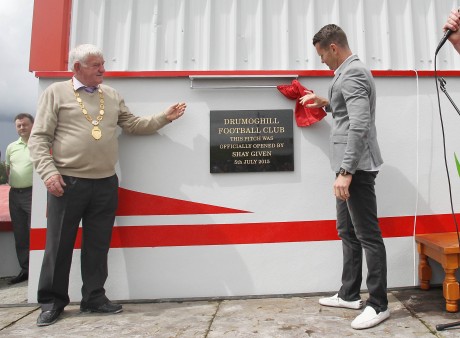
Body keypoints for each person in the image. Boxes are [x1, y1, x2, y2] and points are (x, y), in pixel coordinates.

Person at [28, 44, 186, 327]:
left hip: (104, 183)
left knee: (98, 246)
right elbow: (39, 138)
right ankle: (52, 302)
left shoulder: (111, 95)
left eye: (103, 64)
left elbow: (133, 124)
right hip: (66, 182)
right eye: (95, 65)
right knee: (58, 245)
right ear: (76, 68)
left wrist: (164, 118)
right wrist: (48, 173)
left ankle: (93, 298)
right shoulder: (55, 93)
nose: (103, 69)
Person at [299, 24, 389, 330]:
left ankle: (378, 304)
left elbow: (360, 124)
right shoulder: (346, 73)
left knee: (368, 236)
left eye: (322, 55)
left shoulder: (352, 73)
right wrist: (326, 102)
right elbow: (349, 112)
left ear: (333, 47)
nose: (322, 61)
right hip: (347, 169)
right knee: (347, 231)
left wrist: (347, 172)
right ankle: (349, 293)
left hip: (356, 170)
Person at [5, 113, 34, 285]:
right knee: (21, 233)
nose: (22, 128)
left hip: (33, 195)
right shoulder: (11, 147)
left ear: (32, 125)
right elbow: (9, 170)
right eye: (19, 125)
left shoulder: (39, 144)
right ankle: (25, 269)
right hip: (15, 195)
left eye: (25, 124)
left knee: (35, 233)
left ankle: (38, 269)